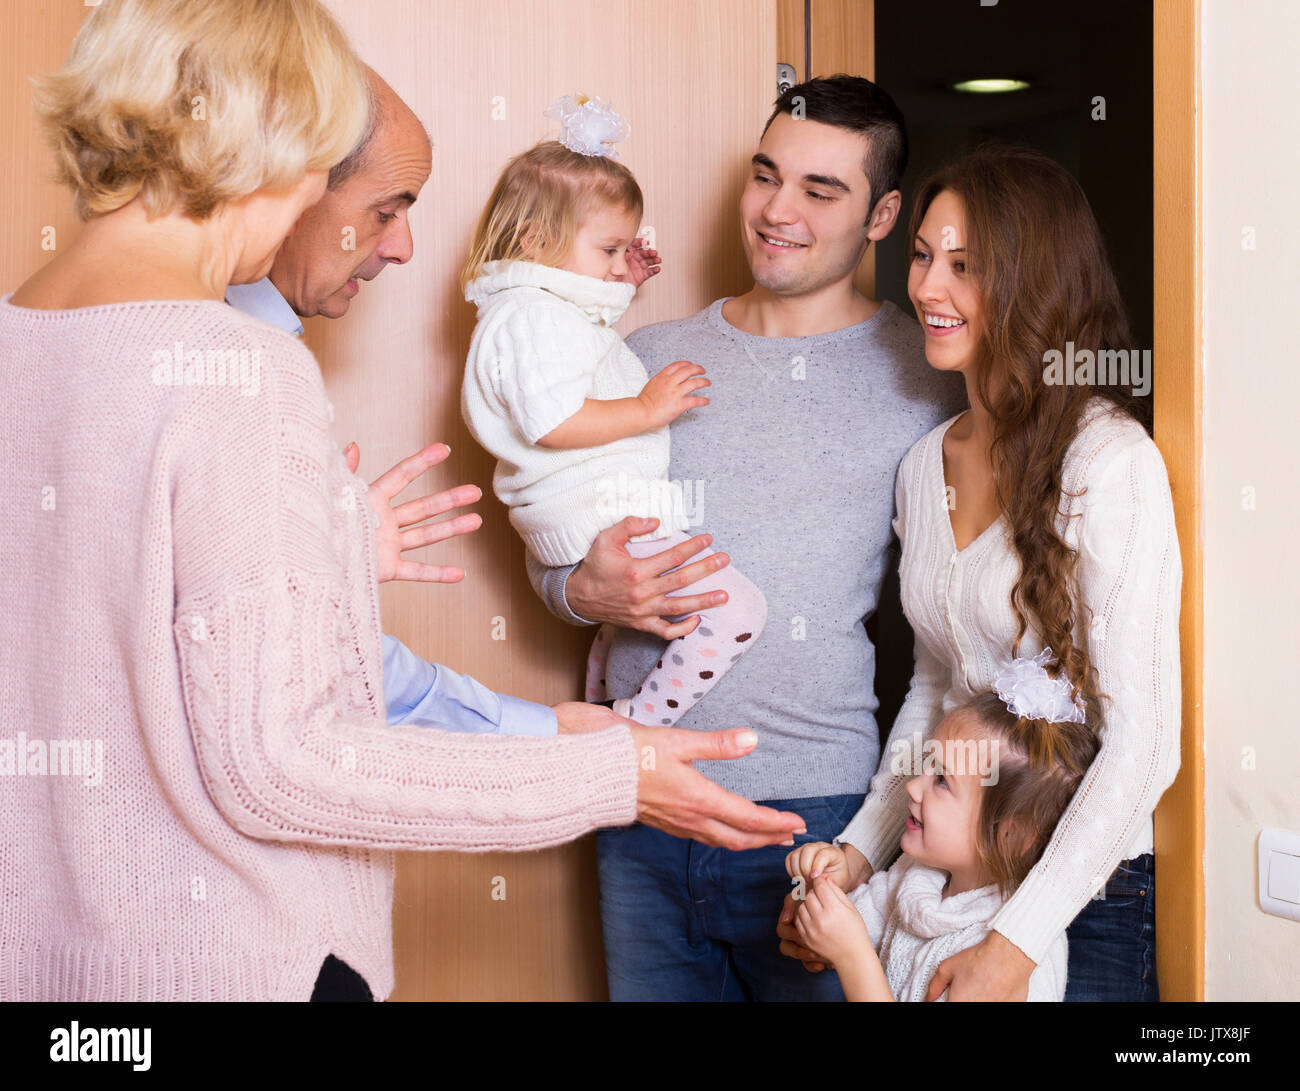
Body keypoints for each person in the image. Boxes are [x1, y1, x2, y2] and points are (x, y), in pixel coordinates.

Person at [0, 0, 802, 1003]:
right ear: (275, 139)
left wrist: (325, 571)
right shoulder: (234, 371)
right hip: (241, 968)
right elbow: (280, 765)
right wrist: (608, 776)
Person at [527, 75, 966, 1000]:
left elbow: (959, 622)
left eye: (820, 189)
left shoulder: (926, 385)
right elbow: (553, 549)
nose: (777, 210)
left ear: (883, 214)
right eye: (766, 176)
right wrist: (579, 591)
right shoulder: (640, 359)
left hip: (813, 820)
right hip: (639, 800)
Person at [778, 144, 1182, 1002]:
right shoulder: (926, 466)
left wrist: (1016, 941)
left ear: (1033, 283)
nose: (926, 287)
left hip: (1084, 896)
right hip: (953, 883)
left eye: (964, 265)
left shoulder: (1108, 462)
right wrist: (858, 855)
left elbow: (1143, 746)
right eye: (923, 256)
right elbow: (933, 689)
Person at [460, 95, 767, 727]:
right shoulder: (530, 316)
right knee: (739, 611)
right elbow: (554, 421)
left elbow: (577, 350)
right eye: (607, 249)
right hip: (594, 510)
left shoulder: (534, 308)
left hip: (590, 511)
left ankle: (600, 692)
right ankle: (636, 723)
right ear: (535, 241)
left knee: (637, 618)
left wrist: (620, 282)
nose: (617, 261)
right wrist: (648, 407)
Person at [787, 656, 1100, 1001]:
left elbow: (849, 945)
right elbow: (828, 930)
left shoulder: (1008, 958)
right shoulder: (912, 879)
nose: (912, 787)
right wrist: (816, 884)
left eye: (941, 781)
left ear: (1011, 833)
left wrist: (853, 957)